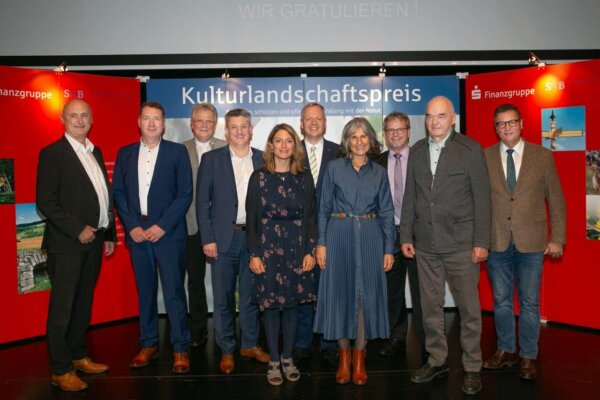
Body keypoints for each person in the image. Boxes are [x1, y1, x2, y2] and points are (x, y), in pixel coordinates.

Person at [399, 96, 491, 395]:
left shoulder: (470, 150)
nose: (434, 122)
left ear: (453, 118)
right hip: (425, 245)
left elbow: (482, 199)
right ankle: (437, 360)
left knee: (469, 309)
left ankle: (472, 366)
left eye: (440, 116)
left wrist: (481, 242)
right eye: (429, 116)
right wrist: (406, 236)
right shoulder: (416, 151)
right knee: (430, 308)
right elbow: (410, 197)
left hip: (462, 244)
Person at [482, 103, 566, 380]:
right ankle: (506, 350)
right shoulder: (485, 157)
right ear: (495, 128)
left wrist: (557, 238)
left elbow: (556, 199)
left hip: (532, 242)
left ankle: (528, 355)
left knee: (530, 302)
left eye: (511, 122)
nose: (506, 128)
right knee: (501, 300)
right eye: (500, 123)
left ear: (521, 124)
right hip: (496, 241)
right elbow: (479, 202)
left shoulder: (542, 156)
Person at [36, 99, 115, 391]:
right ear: (63, 119)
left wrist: (109, 234)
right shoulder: (52, 154)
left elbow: (102, 195)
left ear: (91, 119)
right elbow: (46, 201)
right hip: (67, 244)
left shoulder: (95, 151)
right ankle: (60, 369)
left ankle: (78, 355)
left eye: (84, 115)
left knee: (83, 303)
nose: (79, 120)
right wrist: (77, 228)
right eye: (73, 115)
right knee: (63, 308)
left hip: (94, 241)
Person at [313, 117, 395, 386]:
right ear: (347, 141)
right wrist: (321, 243)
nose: (359, 141)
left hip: (371, 237)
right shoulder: (334, 168)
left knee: (364, 298)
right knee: (340, 295)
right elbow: (323, 208)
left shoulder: (379, 172)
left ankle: (359, 357)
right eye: (354, 137)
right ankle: (343, 357)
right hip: (338, 236)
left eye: (364, 136)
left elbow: (387, 212)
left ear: (371, 140)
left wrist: (388, 248)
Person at [112, 101, 193, 374]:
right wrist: (132, 226)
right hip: (138, 234)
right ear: (139, 122)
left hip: (168, 235)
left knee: (174, 292)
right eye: (146, 118)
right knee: (145, 292)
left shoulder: (177, 152)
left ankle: (180, 347)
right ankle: (148, 344)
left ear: (164, 123)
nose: (151, 123)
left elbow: (185, 194)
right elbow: (119, 193)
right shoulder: (125, 153)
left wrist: (162, 226)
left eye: (156, 118)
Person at [196, 108, 269, 374]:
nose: (239, 131)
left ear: (251, 130)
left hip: (254, 240)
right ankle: (227, 348)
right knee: (224, 298)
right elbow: (202, 203)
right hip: (222, 239)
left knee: (251, 296)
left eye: (244, 126)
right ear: (226, 132)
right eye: (234, 127)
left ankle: (249, 344)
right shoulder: (211, 159)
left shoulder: (264, 159)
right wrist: (208, 239)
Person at [246, 123, 318, 385]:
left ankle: (288, 357)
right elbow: (252, 221)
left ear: (295, 146)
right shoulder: (259, 177)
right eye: (279, 140)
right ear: (271, 145)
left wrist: (310, 251)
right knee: (270, 306)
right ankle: (274, 360)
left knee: (291, 305)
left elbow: (311, 218)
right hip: (267, 249)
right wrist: (254, 254)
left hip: (296, 249)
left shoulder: (304, 177)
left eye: (289, 140)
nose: (284, 145)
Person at [374, 112, 426, 361]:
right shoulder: (376, 162)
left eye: (400, 129)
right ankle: (396, 336)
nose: (395, 134)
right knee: (391, 291)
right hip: (388, 235)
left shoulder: (422, 159)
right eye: (390, 130)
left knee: (421, 291)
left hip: (418, 235)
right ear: (385, 134)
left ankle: (426, 340)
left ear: (408, 132)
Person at [294, 102, 340, 366]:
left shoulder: (339, 152)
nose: (313, 123)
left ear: (325, 123)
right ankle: (302, 342)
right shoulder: (290, 151)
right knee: (302, 291)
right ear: (301, 124)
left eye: (318, 118)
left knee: (328, 291)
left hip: (331, 233)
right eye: (308, 119)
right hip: (297, 235)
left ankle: (328, 343)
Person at [183, 103, 227, 347]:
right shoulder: (179, 150)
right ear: (191, 124)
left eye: (209, 121)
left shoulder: (227, 147)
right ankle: (198, 330)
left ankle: (226, 330)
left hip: (221, 227)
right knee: (195, 281)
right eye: (199, 121)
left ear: (215, 124)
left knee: (225, 282)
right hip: (190, 226)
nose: (204, 125)